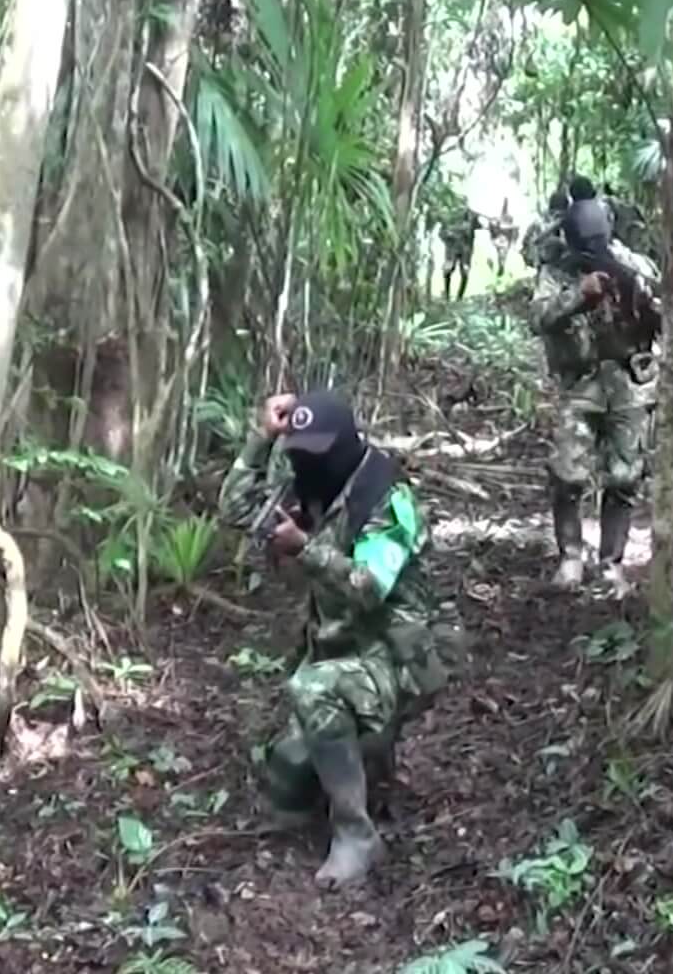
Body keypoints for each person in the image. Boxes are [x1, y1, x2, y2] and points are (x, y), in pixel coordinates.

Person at [218, 390, 449, 888]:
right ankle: (364, 766)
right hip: (338, 650)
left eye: (317, 449)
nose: (307, 459)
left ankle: (357, 834)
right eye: (298, 449)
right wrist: (263, 438)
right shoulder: (305, 485)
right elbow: (235, 510)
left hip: (396, 657)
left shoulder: (387, 499)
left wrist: (304, 550)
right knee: (285, 777)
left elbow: (370, 588)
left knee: (313, 691)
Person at [527, 178, 663, 595]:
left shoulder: (632, 263)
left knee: (624, 478)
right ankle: (570, 557)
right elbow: (539, 318)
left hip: (629, 383)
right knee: (568, 475)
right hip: (579, 383)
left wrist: (640, 300)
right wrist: (577, 296)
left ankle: (611, 566)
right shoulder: (556, 271)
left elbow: (663, 312)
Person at [440, 211, 477, 300]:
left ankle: (459, 297)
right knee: (447, 271)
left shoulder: (471, 220)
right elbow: (442, 233)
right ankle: (447, 294)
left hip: (465, 251)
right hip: (452, 250)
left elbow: (481, 226)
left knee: (465, 272)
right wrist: (449, 235)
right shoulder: (448, 220)